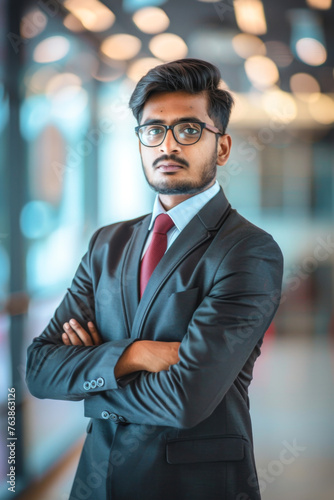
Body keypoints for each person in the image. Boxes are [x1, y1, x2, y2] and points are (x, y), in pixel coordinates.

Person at [26, 58, 283, 500]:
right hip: (96, 482)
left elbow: (186, 399)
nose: (168, 145)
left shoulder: (248, 250)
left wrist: (94, 376)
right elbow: (39, 370)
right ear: (141, 142)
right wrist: (140, 353)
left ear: (221, 148)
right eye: (153, 130)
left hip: (192, 486)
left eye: (188, 130)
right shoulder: (108, 243)